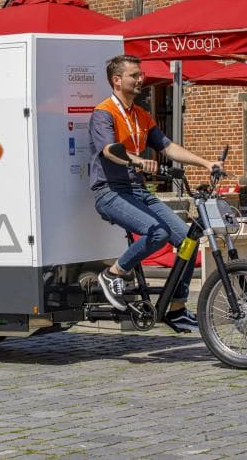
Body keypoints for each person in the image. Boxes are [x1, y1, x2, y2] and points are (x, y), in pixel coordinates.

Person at [88, 54, 222, 333]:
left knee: (187, 240)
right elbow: (109, 150)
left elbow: (168, 147)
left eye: (140, 75)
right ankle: (113, 273)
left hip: (137, 190)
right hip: (110, 191)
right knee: (157, 232)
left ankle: (176, 309)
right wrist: (137, 160)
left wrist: (206, 163)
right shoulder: (104, 113)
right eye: (134, 75)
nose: (141, 79)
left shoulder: (141, 114)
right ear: (117, 80)